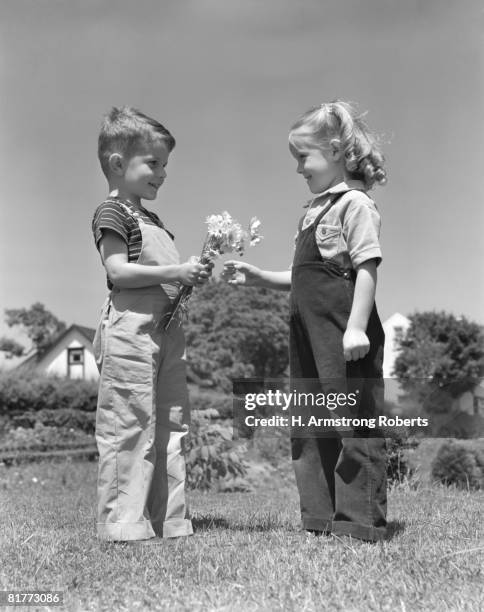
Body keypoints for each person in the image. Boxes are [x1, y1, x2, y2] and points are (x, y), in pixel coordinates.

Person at [224, 100, 388, 542]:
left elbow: (366, 267)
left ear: (335, 150)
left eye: (303, 156)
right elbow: (303, 278)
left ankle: (358, 521)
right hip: (307, 335)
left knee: (353, 418)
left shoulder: (354, 205)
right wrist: (260, 278)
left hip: (343, 333)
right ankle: (320, 516)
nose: (298, 168)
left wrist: (356, 327)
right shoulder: (311, 211)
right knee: (311, 420)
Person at [91, 106, 211, 543]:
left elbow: (164, 278)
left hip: (166, 329)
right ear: (119, 163)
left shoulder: (154, 221)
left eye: (165, 165)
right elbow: (119, 272)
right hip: (130, 331)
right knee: (130, 422)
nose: (162, 173)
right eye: (153, 163)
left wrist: (189, 278)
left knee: (171, 421)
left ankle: (168, 519)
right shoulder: (113, 214)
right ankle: (124, 522)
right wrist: (174, 272)